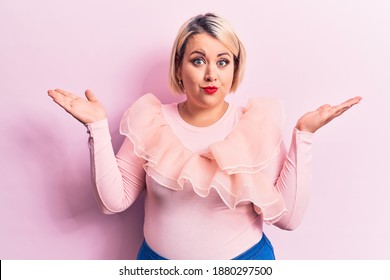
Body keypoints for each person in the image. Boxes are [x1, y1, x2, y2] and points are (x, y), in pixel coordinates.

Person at [47, 13, 361, 260]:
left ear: (234, 69)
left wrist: (303, 135)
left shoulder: (254, 125)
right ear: (179, 68)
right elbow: (113, 202)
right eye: (198, 60)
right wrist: (97, 127)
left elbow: (288, 218)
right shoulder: (151, 121)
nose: (211, 74)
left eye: (223, 62)